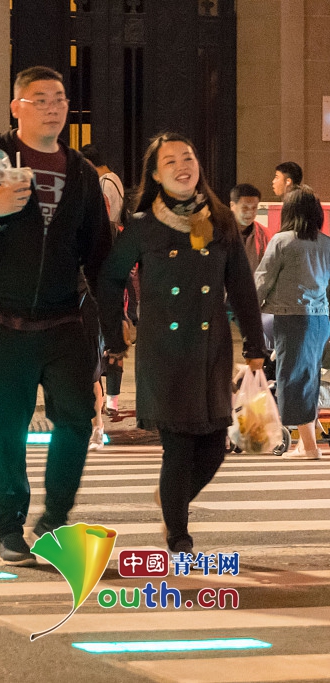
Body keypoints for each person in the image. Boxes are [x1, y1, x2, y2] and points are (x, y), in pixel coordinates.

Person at [0, 66, 111, 565]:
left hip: (63, 321)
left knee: (76, 420)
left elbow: (98, 252)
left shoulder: (82, 173)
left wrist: (113, 326)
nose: (52, 107)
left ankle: (54, 518)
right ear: (17, 107)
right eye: (40, 99)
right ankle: (10, 528)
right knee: (4, 433)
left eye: (59, 99)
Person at [98, 132, 267, 554]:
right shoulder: (142, 225)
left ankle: (171, 499)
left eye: (187, 157)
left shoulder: (221, 220)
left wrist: (255, 345)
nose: (181, 166)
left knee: (213, 449)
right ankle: (179, 535)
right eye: (169, 161)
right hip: (165, 351)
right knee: (178, 447)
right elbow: (110, 279)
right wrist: (115, 334)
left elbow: (241, 287)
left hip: (211, 350)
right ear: (156, 175)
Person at [254, 186, 330, 460]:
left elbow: (263, 279)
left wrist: (249, 310)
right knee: (309, 378)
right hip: (321, 319)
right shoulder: (326, 242)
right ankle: (305, 444)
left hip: (292, 317)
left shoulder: (282, 241)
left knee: (293, 379)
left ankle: (309, 446)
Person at [80, 143, 132, 436]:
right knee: (93, 360)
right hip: (87, 298)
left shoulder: (109, 229)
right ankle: (99, 415)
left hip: (96, 298)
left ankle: (102, 414)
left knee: (98, 358)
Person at [230, 183, 267, 275]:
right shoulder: (220, 232)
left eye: (254, 208)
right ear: (232, 206)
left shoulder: (264, 234)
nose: (250, 212)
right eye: (245, 208)